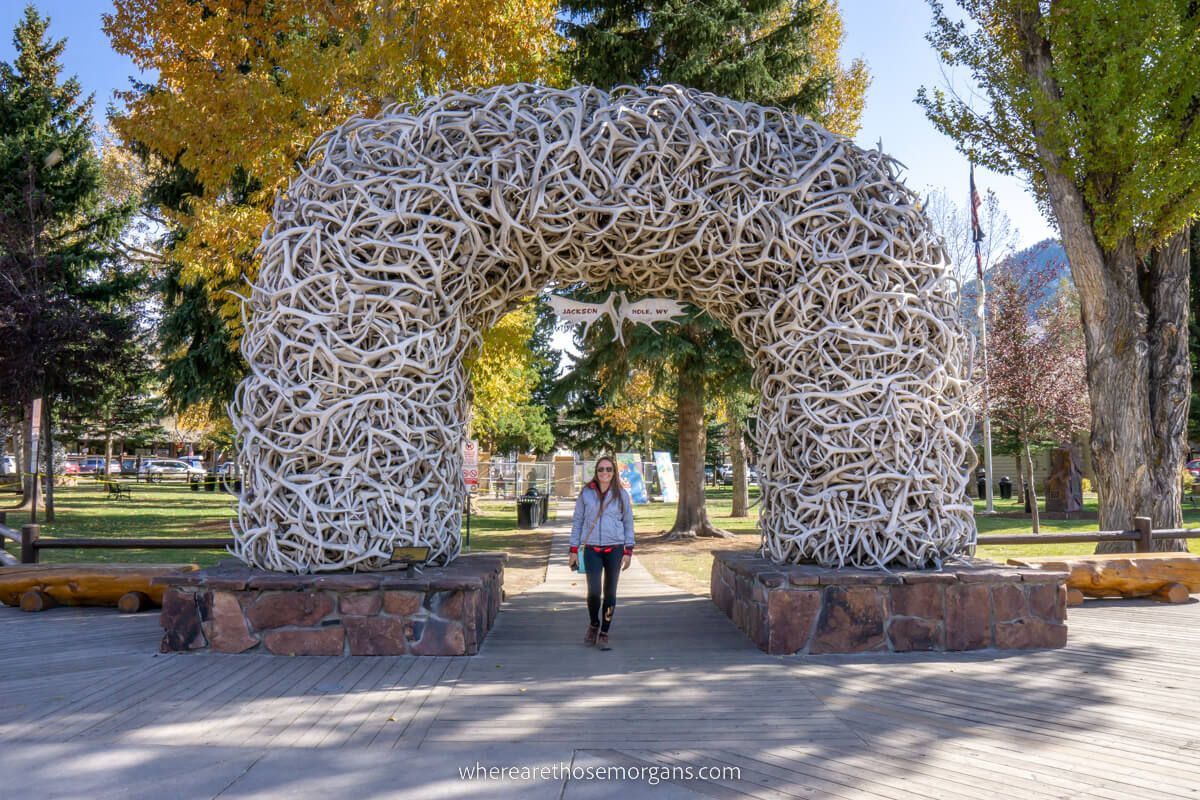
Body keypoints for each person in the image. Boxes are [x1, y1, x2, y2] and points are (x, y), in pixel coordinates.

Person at [568, 456, 634, 650]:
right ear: (596, 472)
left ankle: (604, 631)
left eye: (609, 469)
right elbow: (577, 521)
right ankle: (593, 623)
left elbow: (628, 523)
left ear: (614, 473)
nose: (605, 473)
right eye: (601, 470)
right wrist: (573, 549)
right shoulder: (586, 494)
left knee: (610, 593)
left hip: (615, 549)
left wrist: (628, 549)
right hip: (592, 549)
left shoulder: (621, 494)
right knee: (594, 592)